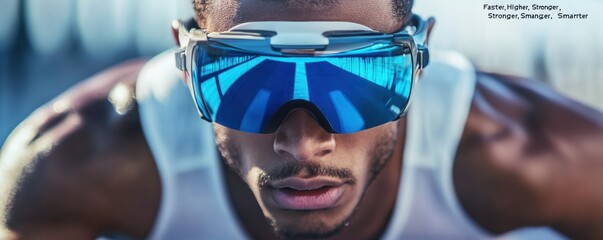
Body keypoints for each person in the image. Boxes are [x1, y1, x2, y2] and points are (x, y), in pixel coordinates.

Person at [2, 0, 603, 239]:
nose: (304, 140)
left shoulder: (539, 154)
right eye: (246, 80)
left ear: (419, 65)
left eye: (353, 81)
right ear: (186, 66)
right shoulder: (72, 165)